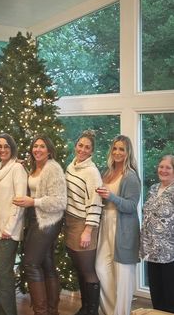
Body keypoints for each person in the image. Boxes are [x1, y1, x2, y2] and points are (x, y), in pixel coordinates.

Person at [13, 134, 67, 315]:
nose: (37, 149)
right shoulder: (35, 168)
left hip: (48, 221)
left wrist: (33, 202)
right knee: (46, 264)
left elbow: (60, 202)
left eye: (42, 146)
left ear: (49, 150)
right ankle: (52, 311)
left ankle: (41, 312)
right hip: (36, 219)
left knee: (30, 264)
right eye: (35, 146)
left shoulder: (53, 169)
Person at [96, 135, 141, 315]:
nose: (117, 152)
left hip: (123, 228)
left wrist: (111, 196)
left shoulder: (130, 177)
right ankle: (109, 311)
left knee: (122, 276)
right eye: (115, 148)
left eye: (122, 149)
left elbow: (131, 206)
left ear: (128, 152)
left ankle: (121, 312)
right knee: (101, 267)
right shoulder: (105, 172)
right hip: (105, 224)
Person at [64, 130, 103, 315]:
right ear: (75, 146)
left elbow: (95, 203)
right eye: (80, 145)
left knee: (88, 271)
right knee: (80, 270)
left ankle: (92, 311)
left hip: (84, 224)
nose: (83, 149)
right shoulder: (71, 167)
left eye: (87, 147)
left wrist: (87, 231)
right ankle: (85, 307)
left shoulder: (92, 172)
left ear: (92, 151)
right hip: (70, 224)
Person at [0, 133, 28, 315]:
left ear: (12, 148)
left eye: (6, 146)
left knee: (2, 275)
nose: (2, 149)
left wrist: (9, 228)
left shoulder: (17, 169)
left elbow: (19, 202)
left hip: (8, 232)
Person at [140, 154, 174, 313]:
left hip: (170, 255)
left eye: (168, 167)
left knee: (170, 297)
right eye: (161, 166)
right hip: (152, 252)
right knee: (157, 296)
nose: (163, 170)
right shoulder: (153, 189)